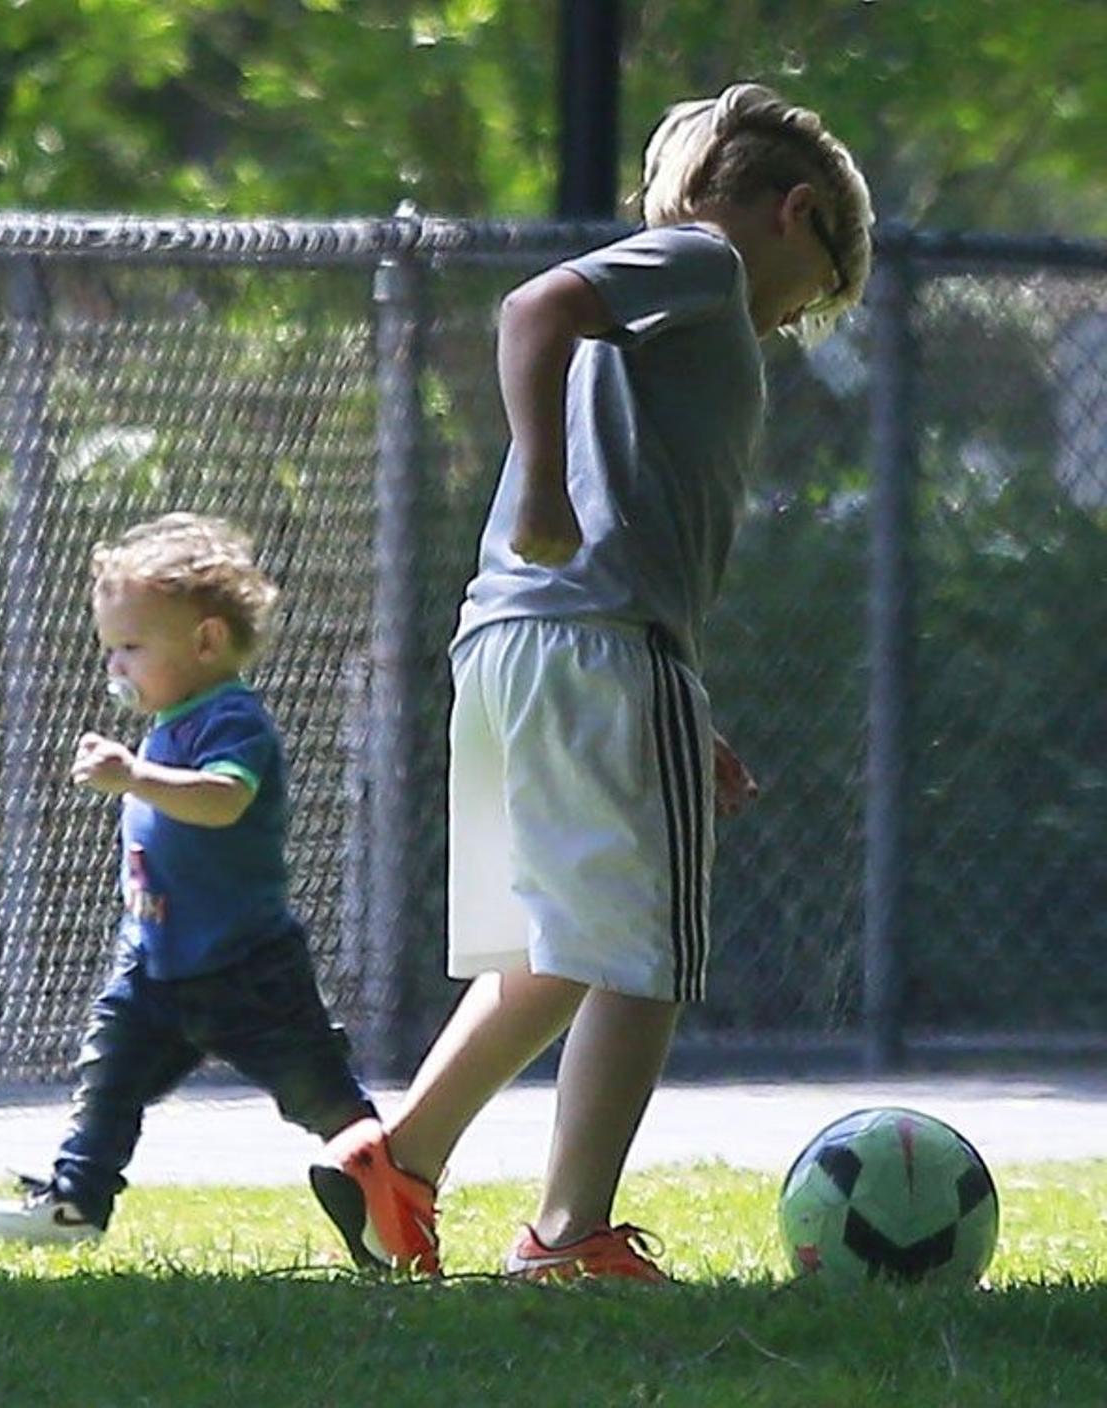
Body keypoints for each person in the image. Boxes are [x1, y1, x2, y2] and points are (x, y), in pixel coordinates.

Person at [309, 81, 874, 1282]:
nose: (790, 322)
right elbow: (532, 306)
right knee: (643, 948)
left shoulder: (679, 301)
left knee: (556, 946)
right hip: (595, 642)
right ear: (796, 210)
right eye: (813, 291)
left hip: (522, 643)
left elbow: (639, 516)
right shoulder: (708, 268)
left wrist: (689, 706)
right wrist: (547, 486)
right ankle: (570, 1235)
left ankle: (397, 1166)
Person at [0, 512, 375, 1243]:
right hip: (155, 964)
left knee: (319, 1093)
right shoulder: (169, 720)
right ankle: (76, 1200)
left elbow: (225, 800)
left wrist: (134, 776)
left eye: (130, 648)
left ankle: (386, 1186)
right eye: (110, 650)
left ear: (207, 640)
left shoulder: (231, 720)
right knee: (110, 1073)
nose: (115, 667)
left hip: (248, 968)